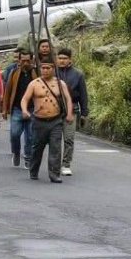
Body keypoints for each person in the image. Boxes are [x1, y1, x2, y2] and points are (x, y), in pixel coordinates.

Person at [20, 58, 75, 183]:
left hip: (55, 121)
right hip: (39, 121)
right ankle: (33, 170)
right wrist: (25, 110)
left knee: (55, 148)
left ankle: (54, 174)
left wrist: (70, 114)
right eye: (43, 68)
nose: (45, 70)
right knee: (37, 148)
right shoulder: (34, 84)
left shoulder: (60, 84)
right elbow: (25, 99)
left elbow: (68, 99)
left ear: (53, 69)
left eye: (48, 68)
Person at [56, 47, 90, 177]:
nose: (62, 61)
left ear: (70, 59)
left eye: (65, 58)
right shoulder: (52, 73)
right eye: (60, 58)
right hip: (55, 110)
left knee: (69, 138)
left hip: (72, 110)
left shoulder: (78, 74)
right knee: (55, 139)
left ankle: (66, 164)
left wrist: (85, 113)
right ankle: (55, 162)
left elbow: (83, 95)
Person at [3, 50, 38, 169]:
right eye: (23, 60)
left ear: (32, 60)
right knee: (14, 134)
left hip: (33, 109)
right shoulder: (13, 73)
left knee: (30, 136)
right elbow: (7, 91)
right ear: (19, 61)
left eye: (28, 60)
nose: (26, 63)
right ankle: (16, 152)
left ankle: (28, 158)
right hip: (17, 108)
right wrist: (5, 109)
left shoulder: (36, 73)